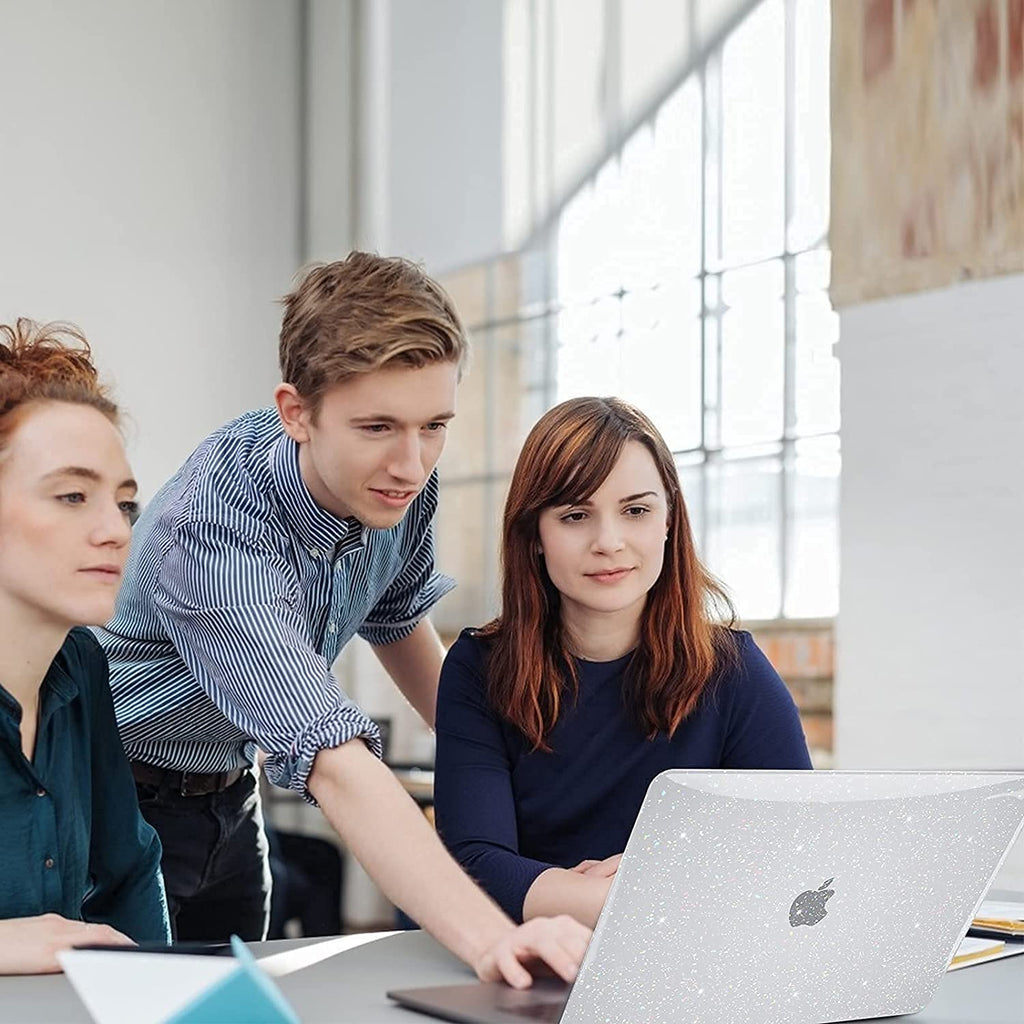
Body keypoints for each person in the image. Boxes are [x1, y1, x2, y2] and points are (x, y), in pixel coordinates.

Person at [97, 252, 588, 987]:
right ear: (297, 412)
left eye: (435, 425)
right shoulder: (212, 530)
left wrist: (518, 777)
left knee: (230, 1006)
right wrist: (493, 939)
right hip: (113, 804)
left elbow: (396, 622)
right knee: (134, 1005)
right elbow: (332, 758)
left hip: (230, 797)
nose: (412, 463)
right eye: (379, 426)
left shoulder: (397, 483)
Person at [434, 396, 813, 930]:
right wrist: (662, 893)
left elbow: (799, 853)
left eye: (635, 510)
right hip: (529, 963)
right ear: (534, 536)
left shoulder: (734, 671)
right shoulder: (479, 668)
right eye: (574, 515)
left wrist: (635, 886)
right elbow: (472, 867)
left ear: (668, 519)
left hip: (685, 968)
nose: (608, 542)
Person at [0, 319, 170, 974]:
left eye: (124, 504)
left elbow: (128, 870)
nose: (115, 531)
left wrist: (164, 999)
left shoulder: (81, 662)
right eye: (72, 496)